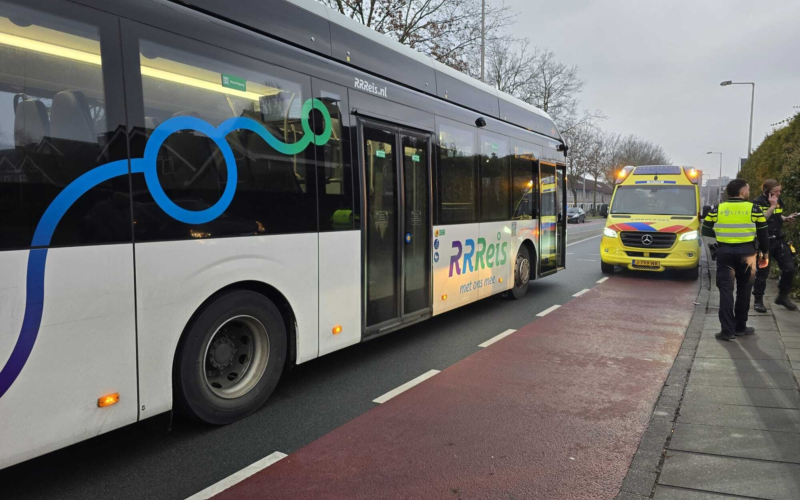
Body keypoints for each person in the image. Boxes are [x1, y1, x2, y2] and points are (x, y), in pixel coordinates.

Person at [702, 179, 770, 341]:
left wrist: (722, 237)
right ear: (741, 192)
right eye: (747, 189)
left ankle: (727, 330)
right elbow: (763, 234)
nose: (748, 191)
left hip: (725, 252)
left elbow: (706, 229)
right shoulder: (754, 208)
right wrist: (765, 254)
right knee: (744, 290)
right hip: (747, 253)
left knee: (726, 290)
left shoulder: (718, 209)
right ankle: (740, 327)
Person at [752, 179, 798, 312]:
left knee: (789, 268)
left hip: (778, 240)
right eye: (776, 191)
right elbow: (761, 220)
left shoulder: (778, 201)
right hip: (764, 242)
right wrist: (772, 206)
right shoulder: (757, 203)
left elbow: (777, 216)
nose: (779, 193)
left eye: (779, 191)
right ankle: (758, 301)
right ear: (766, 191)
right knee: (762, 273)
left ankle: (782, 296)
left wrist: (786, 218)